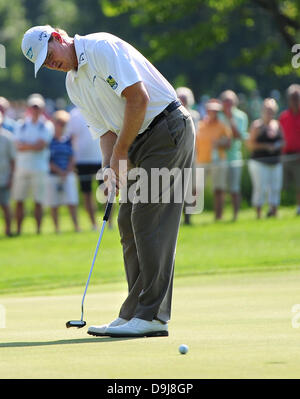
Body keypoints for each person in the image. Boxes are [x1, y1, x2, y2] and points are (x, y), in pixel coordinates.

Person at [22, 25, 195, 338]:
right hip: (137, 140)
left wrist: (121, 153)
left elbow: (138, 99)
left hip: (166, 130)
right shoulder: (73, 84)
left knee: (147, 218)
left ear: (59, 38)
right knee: (128, 222)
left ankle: (153, 316)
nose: (52, 63)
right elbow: (104, 131)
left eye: (50, 55)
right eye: (45, 64)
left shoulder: (101, 48)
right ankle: (134, 312)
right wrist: (109, 168)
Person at [12, 93, 54, 235]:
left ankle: (38, 230)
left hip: (39, 168)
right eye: (33, 107)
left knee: (38, 201)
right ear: (29, 108)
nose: (35, 110)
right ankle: (18, 230)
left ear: (42, 109)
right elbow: (18, 145)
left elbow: (40, 146)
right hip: (22, 168)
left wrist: (26, 145)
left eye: (38, 107)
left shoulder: (47, 126)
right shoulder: (21, 125)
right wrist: (31, 146)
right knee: (19, 200)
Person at [64, 107, 111, 230]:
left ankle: (109, 223)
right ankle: (94, 224)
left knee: (107, 190)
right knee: (87, 193)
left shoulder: (98, 108)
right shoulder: (74, 114)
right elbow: (71, 137)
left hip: (100, 158)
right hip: (82, 160)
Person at [247, 98, 284, 219]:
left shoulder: (277, 125)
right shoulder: (257, 126)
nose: (269, 113)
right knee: (260, 188)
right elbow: (250, 145)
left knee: (275, 187)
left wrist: (277, 146)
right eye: (267, 110)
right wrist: (266, 146)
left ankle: (273, 211)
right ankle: (258, 213)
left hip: (275, 162)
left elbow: (283, 141)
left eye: (271, 110)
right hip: (259, 162)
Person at [196, 99, 231, 220]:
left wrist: (220, 142)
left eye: (216, 110)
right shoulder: (200, 125)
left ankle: (218, 216)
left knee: (219, 189)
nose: (213, 112)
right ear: (207, 111)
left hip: (218, 161)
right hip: (201, 160)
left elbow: (228, 143)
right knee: (195, 189)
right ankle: (188, 217)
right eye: (211, 110)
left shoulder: (222, 126)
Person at [47, 110, 80, 233]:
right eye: (59, 123)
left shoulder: (68, 140)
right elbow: (48, 160)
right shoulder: (50, 141)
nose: (61, 125)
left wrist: (67, 171)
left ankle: (76, 226)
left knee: (72, 201)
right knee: (54, 203)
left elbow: (72, 157)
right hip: (53, 175)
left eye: (64, 123)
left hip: (68, 174)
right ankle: (57, 228)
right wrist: (59, 171)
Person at [219, 90, 248, 221]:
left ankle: (235, 216)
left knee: (234, 189)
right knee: (220, 189)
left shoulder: (241, 116)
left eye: (230, 102)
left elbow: (238, 136)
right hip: (219, 158)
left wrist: (230, 118)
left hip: (235, 158)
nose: (228, 104)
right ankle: (220, 216)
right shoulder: (218, 116)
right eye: (225, 102)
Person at [176, 87, 201, 225]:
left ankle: (188, 216)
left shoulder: (195, 115)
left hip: (191, 154)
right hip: (176, 156)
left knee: (190, 187)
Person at [279, 84, 300, 215]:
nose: (294, 100)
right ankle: (274, 208)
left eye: (297, 98)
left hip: (299, 155)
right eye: (292, 98)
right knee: (282, 185)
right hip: (286, 155)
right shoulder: (284, 116)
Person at [0, 112, 16, 237]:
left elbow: (13, 160)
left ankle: (8, 230)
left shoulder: (8, 137)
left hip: (4, 177)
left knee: (6, 205)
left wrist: (11, 177)